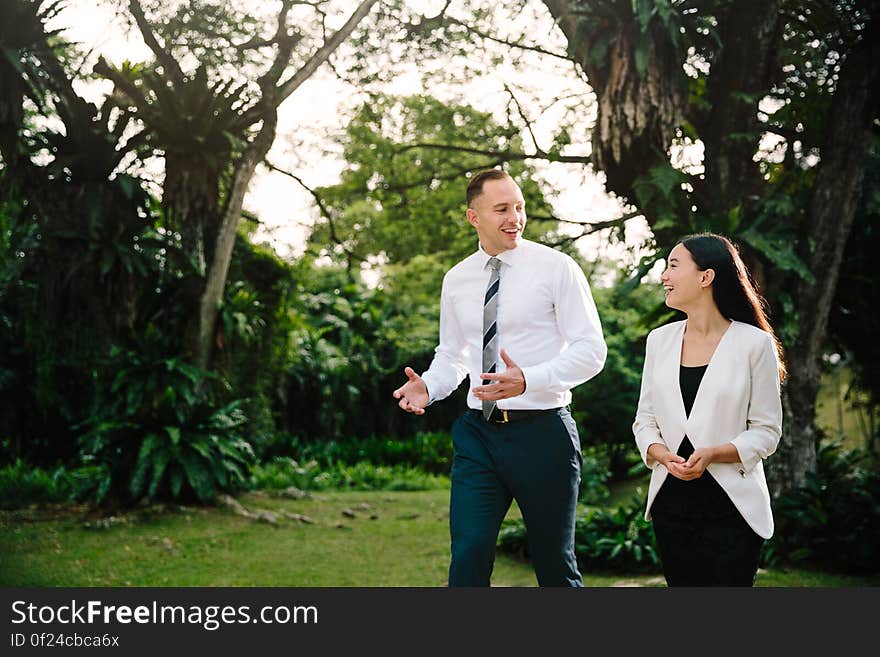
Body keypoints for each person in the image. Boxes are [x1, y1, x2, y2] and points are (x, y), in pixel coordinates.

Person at [392, 169, 607, 587]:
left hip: (544, 432)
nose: (515, 218)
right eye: (502, 209)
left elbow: (591, 351)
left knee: (553, 565)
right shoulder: (456, 279)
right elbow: (453, 355)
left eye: (520, 207)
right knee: (468, 557)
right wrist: (428, 387)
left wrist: (528, 379)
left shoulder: (557, 268)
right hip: (478, 435)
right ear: (474, 217)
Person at [632, 233, 785, 587]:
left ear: (705, 277)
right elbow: (645, 420)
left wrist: (715, 452)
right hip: (672, 504)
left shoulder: (754, 343)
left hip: (732, 507)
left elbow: (767, 431)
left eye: (673, 266)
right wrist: (662, 455)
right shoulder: (659, 340)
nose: (663, 276)